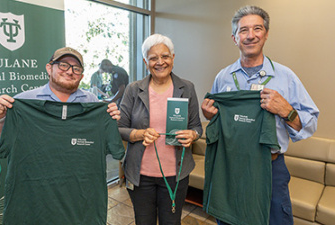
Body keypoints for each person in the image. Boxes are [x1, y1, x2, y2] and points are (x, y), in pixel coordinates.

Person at [201, 6, 319, 225]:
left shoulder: (285, 77)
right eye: (243, 30)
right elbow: (217, 116)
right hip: (230, 166)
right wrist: (209, 115)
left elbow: (311, 124)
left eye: (257, 28)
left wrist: (287, 111)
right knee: (228, 220)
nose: (250, 35)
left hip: (270, 167)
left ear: (266, 34)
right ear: (234, 38)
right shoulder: (223, 77)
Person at [0, 47, 123, 224]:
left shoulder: (93, 105)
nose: (70, 71)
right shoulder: (21, 103)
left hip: (81, 208)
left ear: (81, 75)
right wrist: (0, 118)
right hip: (34, 208)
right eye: (63, 65)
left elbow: (115, 151)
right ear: (49, 68)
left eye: (76, 68)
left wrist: (110, 119)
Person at [118, 34, 202, 225]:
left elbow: (197, 126)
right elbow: (120, 128)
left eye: (165, 56)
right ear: (145, 61)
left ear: (173, 58)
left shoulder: (187, 88)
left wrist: (193, 134)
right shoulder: (133, 89)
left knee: (171, 222)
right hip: (141, 175)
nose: (160, 62)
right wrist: (139, 134)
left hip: (176, 175)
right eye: (153, 58)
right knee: (143, 222)